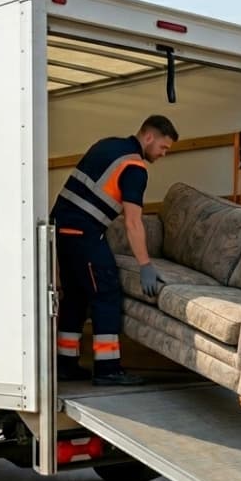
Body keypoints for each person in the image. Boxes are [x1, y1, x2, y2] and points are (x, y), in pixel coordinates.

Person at [50, 115, 179, 386]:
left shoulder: (107, 145)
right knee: (106, 294)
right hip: (84, 234)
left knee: (75, 296)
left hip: (60, 231)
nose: (163, 154)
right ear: (148, 137)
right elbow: (133, 222)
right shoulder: (134, 166)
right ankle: (108, 369)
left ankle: (65, 363)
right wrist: (145, 265)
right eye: (163, 148)